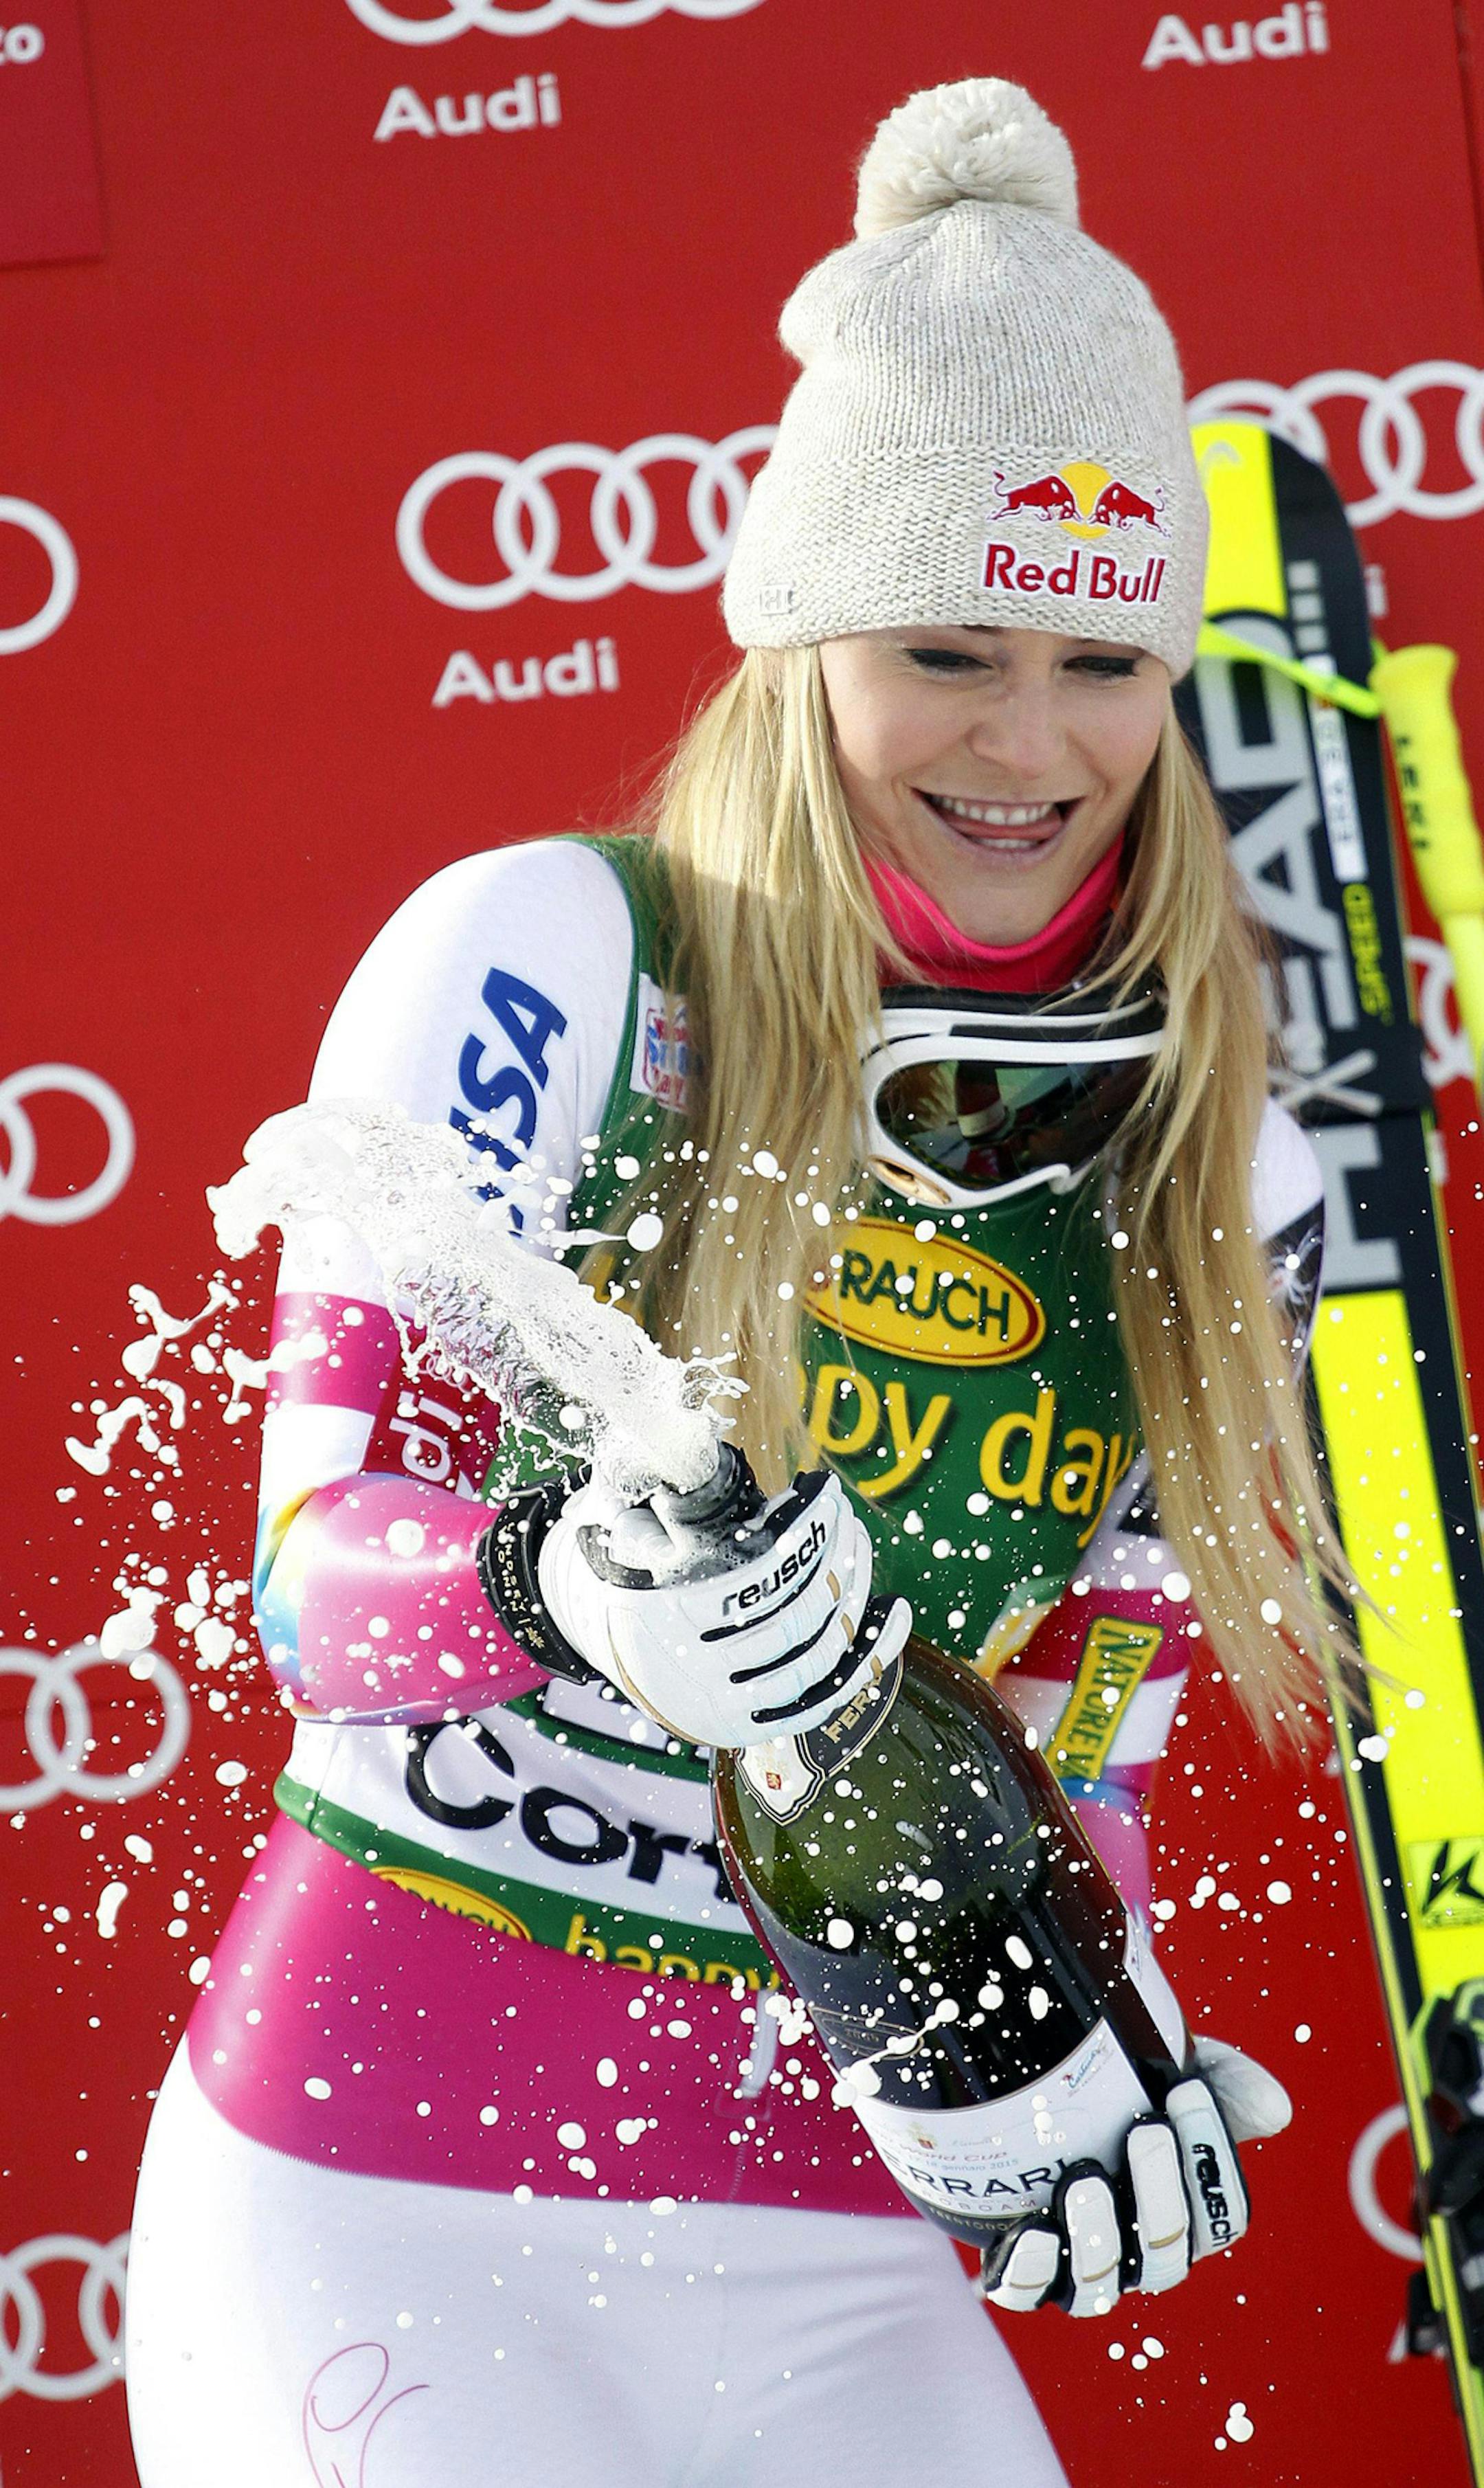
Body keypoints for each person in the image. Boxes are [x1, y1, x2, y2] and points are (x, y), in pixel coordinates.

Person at [126, 76, 1342, 2488]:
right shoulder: (564, 964)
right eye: (947, 647)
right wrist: (553, 1586)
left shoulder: (1229, 1163)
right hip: (386, 2188)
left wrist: (1069, 2042)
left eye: (1106, 667)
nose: (1030, 741)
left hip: (827, 2242)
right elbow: (306, 1588)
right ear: (803, 648)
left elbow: (1072, 1761)